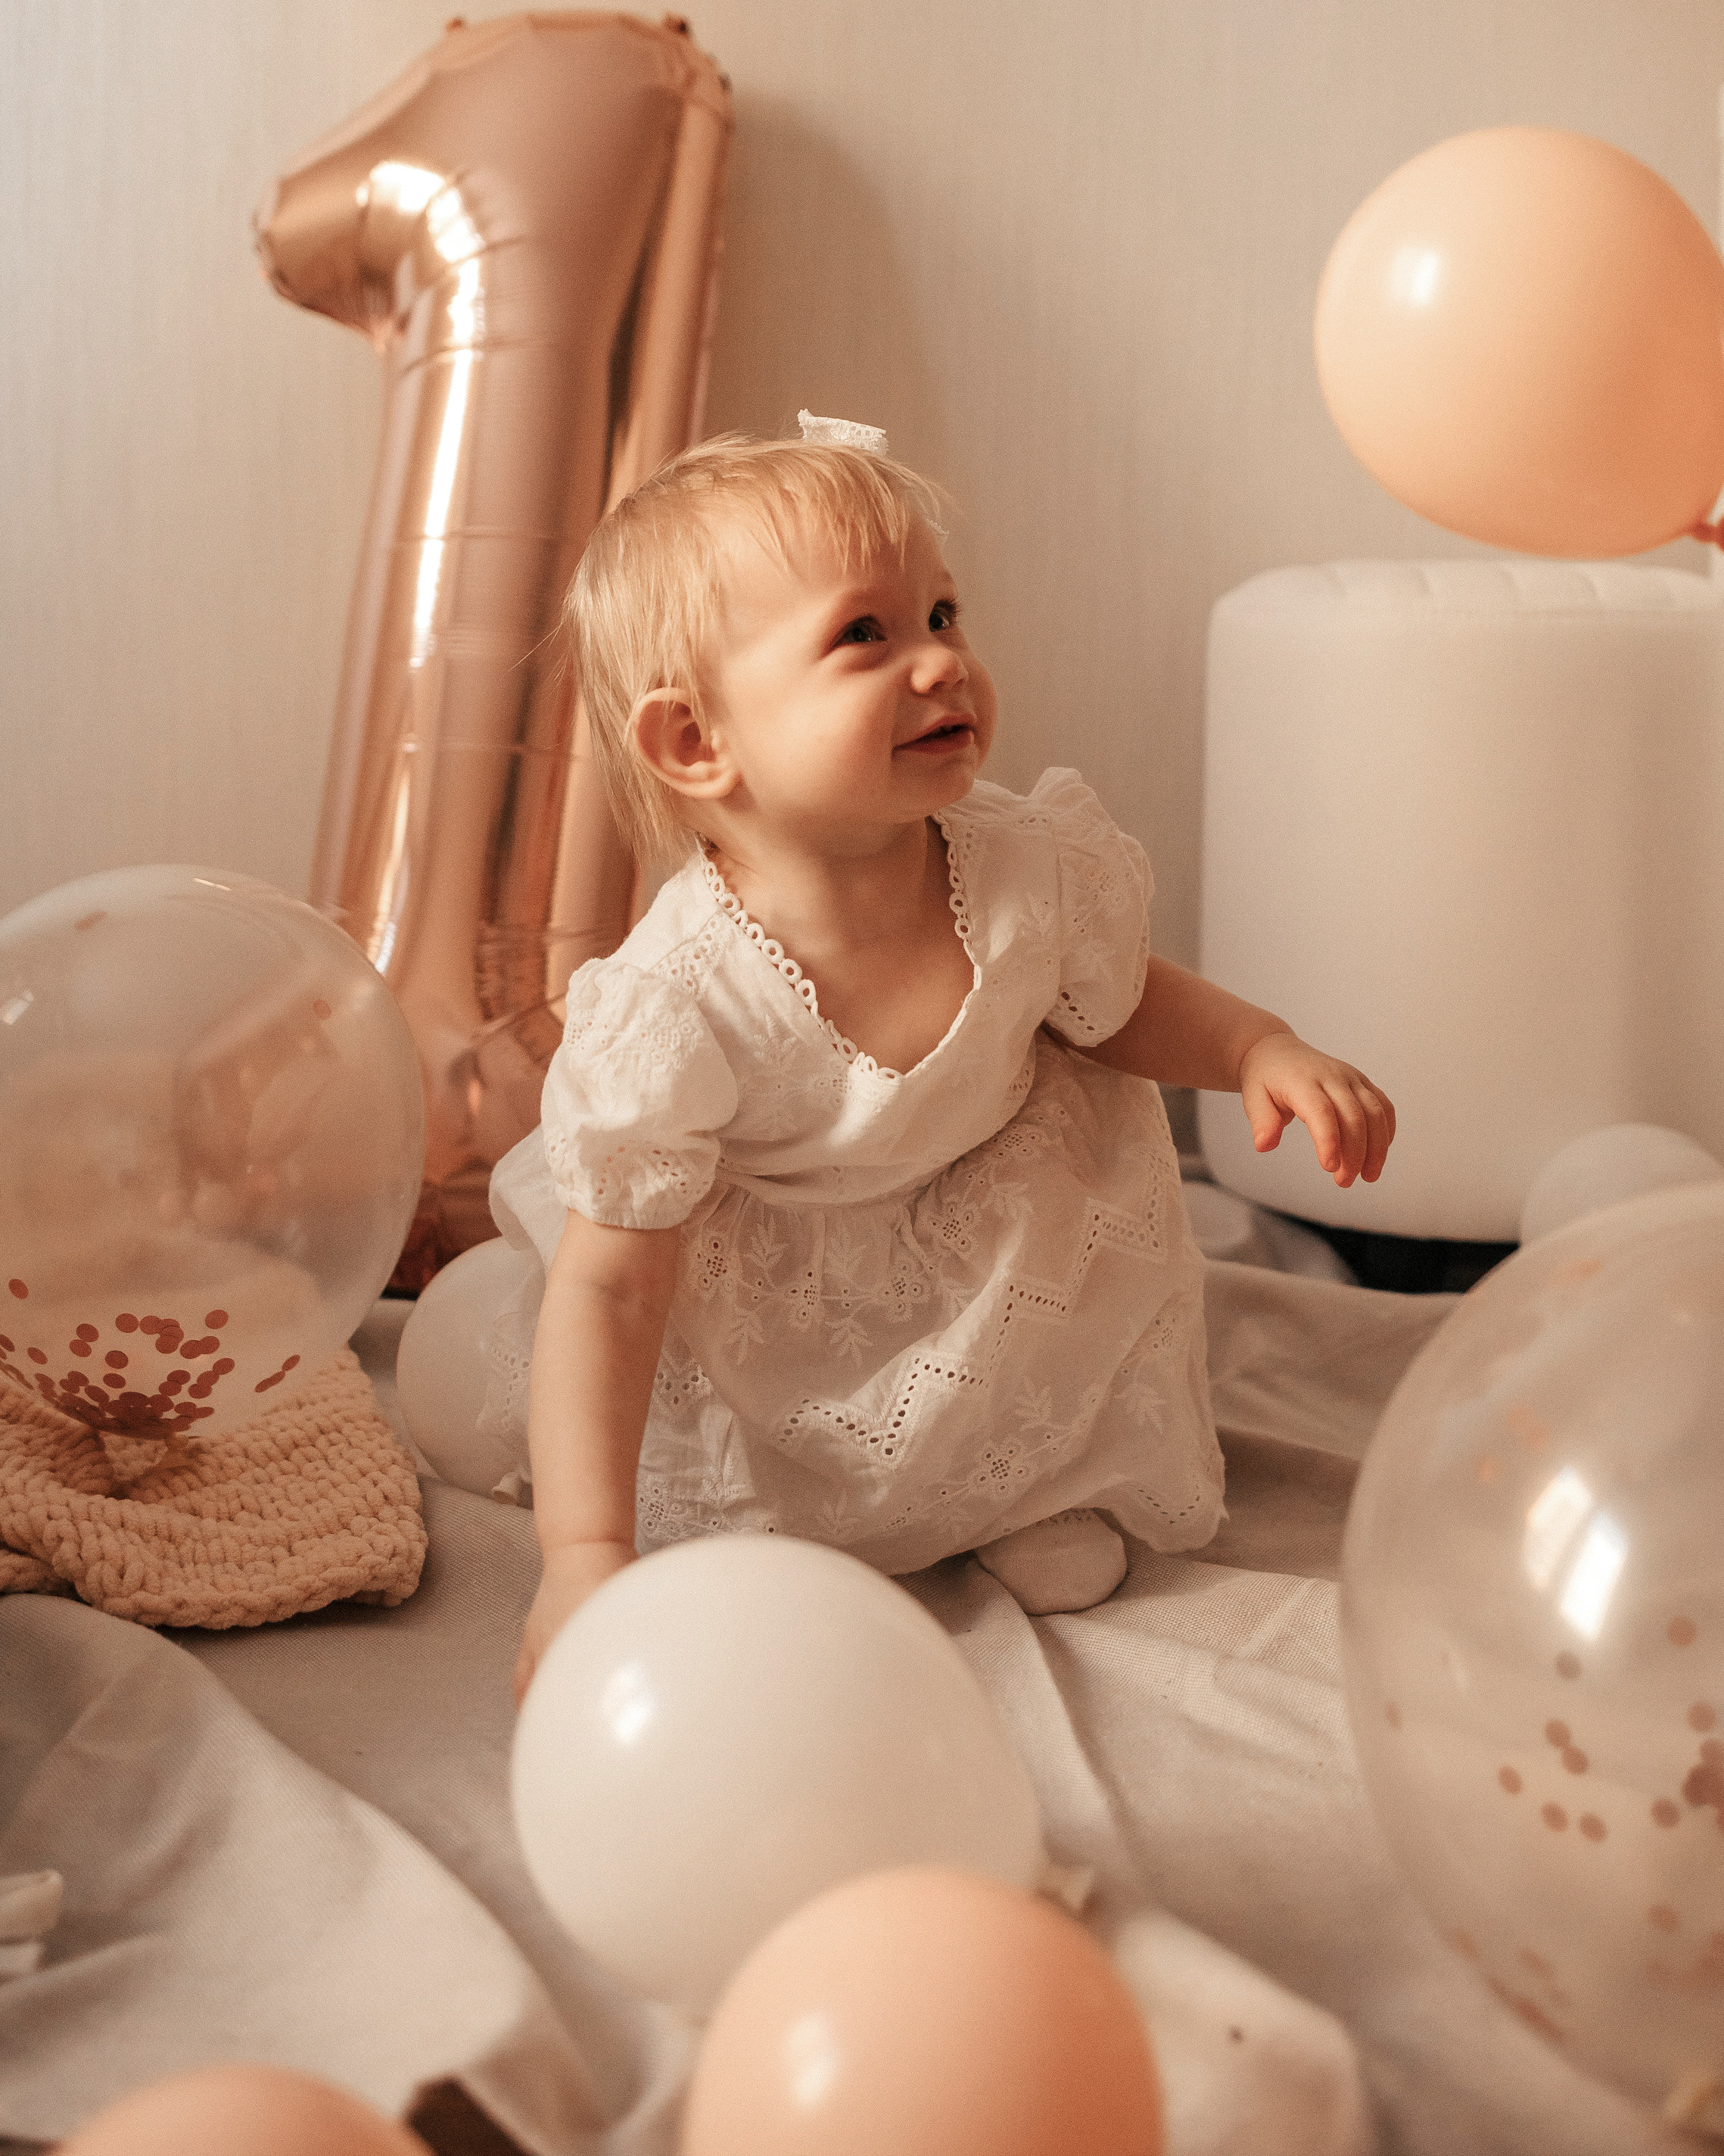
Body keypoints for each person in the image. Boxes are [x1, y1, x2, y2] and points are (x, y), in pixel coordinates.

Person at [496, 419, 1394, 1701]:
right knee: (729, 1503)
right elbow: (614, 1294)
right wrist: (584, 1555)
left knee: (1061, 1209)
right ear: (698, 742)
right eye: (866, 636)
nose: (941, 664)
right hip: (795, 1298)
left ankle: (1029, 1484)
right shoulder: (677, 999)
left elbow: (1110, 1003)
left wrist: (1258, 1046)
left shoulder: (1019, 861)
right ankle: (817, 1518)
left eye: (944, 614)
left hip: (984, 1247)